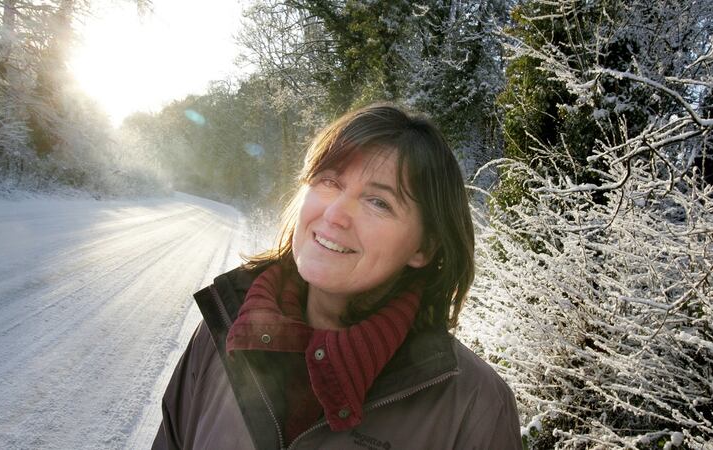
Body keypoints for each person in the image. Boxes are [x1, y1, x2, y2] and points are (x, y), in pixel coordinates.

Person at [152, 104, 521, 449]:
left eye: (379, 202)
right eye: (329, 181)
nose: (335, 214)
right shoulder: (222, 332)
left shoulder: (475, 408)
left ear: (423, 248)